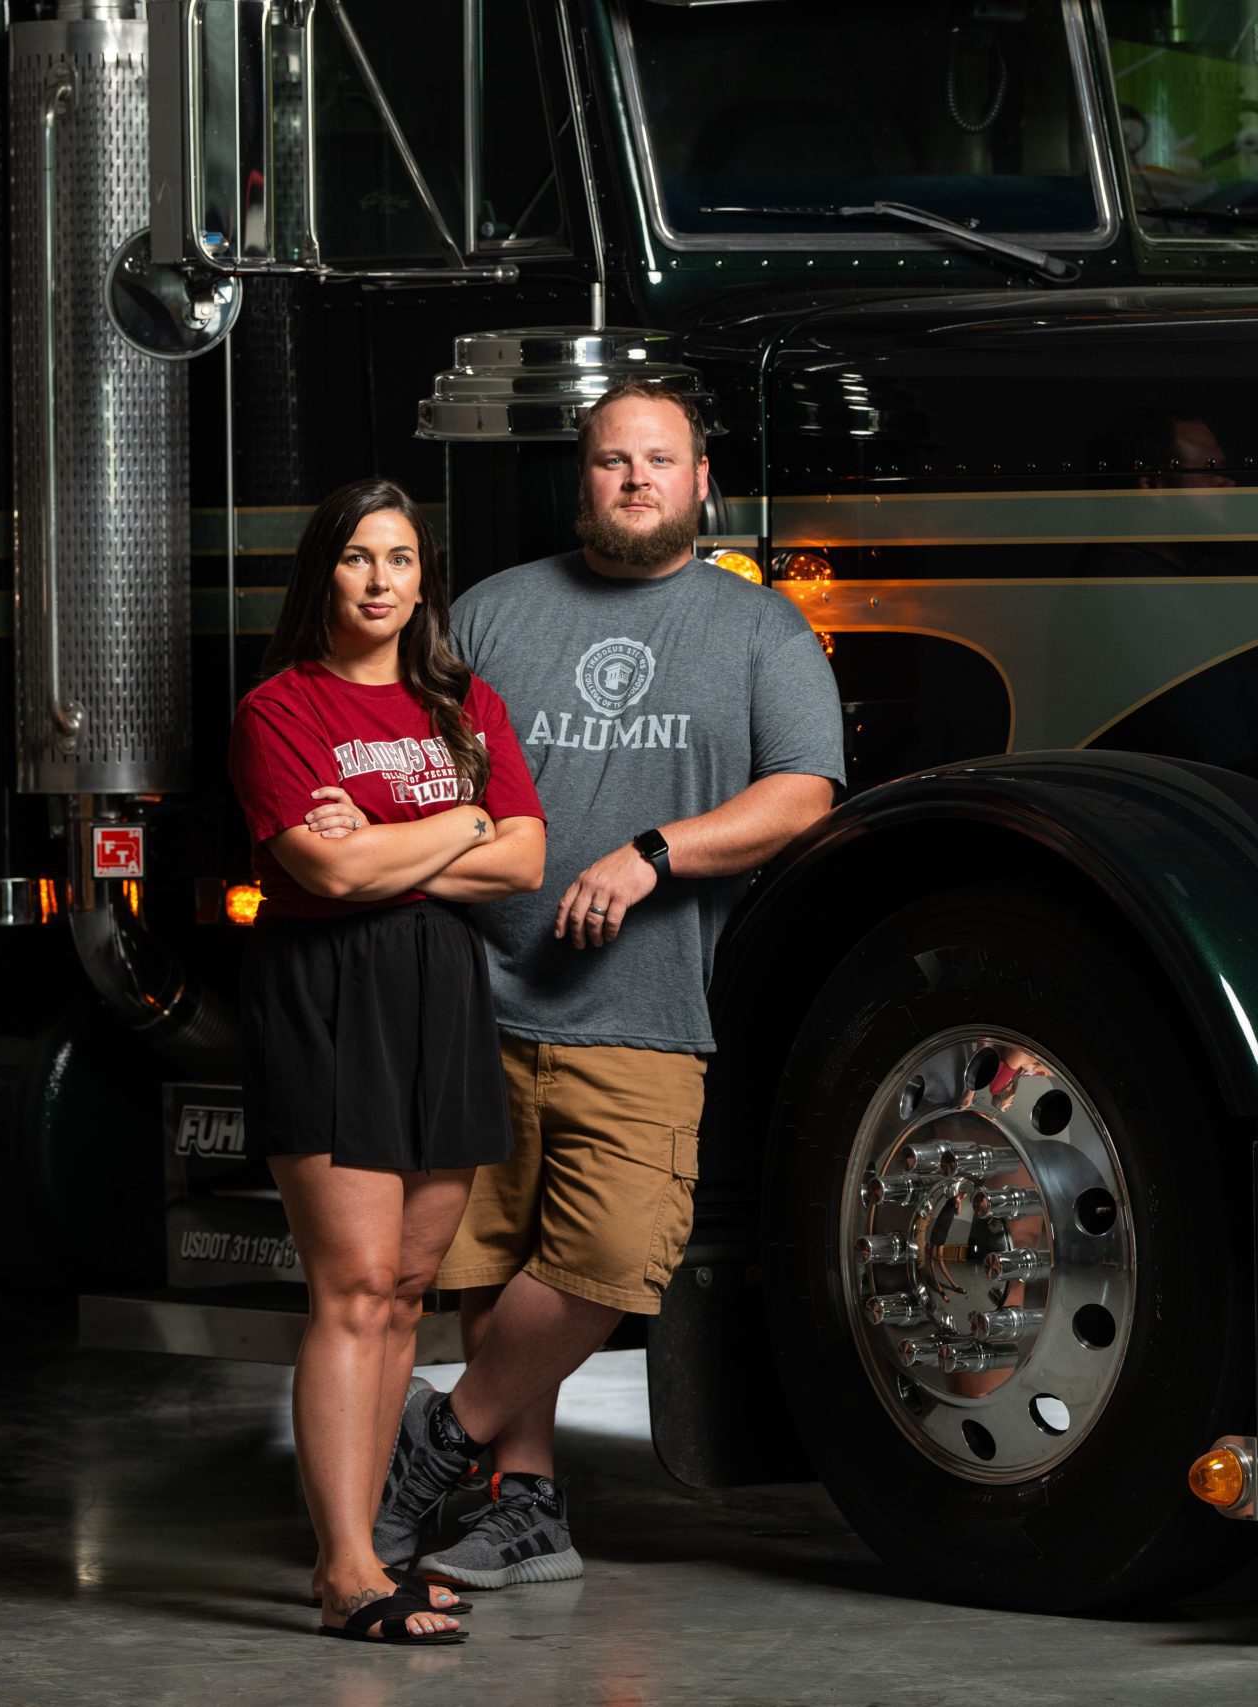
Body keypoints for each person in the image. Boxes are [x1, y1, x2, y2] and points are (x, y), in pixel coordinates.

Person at [371, 379, 846, 1589]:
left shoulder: (760, 631)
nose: (633, 478)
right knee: (489, 1257)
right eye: (609, 461)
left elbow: (802, 794)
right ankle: (523, 1507)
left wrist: (650, 857)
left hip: (644, 1009)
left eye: (657, 460)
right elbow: (425, 775)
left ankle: (440, 1435)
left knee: (616, 1251)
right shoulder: (491, 612)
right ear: (578, 480)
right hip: (474, 992)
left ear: (701, 485)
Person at [226, 476, 547, 1643]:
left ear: (424, 579)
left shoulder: (466, 705)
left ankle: (375, 1551)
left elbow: (522, 859)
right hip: (325, 995)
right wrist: (464, 825)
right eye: (359, 558)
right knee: (351, 1287)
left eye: (401, 560)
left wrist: (417, 839)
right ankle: (346, 1568)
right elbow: (325, 875)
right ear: (325, 573)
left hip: (439, 997)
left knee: (409, 1295)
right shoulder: (279, 709)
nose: (379, 581)